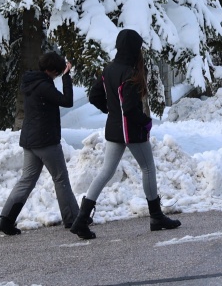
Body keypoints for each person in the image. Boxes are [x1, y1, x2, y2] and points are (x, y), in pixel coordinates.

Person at [70, 28, 181, 240]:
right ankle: (156, 217)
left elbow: (94, 95)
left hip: (113, 128)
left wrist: (110, 109)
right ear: (134, 49)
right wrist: (146, 122)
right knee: (148, 167)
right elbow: (130, 109)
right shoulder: (130, 73)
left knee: (105, 172)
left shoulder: (109, 69)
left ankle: (81, 219)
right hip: (130, 130)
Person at [0, 51, 80, 236]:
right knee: (60, 178)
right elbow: (67, 101)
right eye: (57, 73)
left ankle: (6, 220)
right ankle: (73, 218)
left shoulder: (31, 82)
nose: (57, 76)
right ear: (50, 70)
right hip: (46, 140)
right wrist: (67, 77)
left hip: (30, 140)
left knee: (27, 180)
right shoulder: (43, 86)